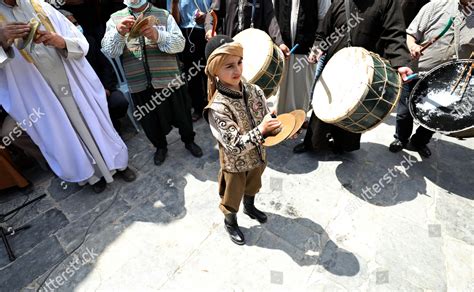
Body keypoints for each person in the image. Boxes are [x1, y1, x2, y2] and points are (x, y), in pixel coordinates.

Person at [0, 0, 136, 193]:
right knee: (63, 132)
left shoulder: (39, 5)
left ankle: (117, 163)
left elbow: (78, 39)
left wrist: (60, 41)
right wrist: (2, 40)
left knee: (92, 121)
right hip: (35, 91)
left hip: (70, 76)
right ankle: (91, 176)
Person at [293, 0, 413, 154]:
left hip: (364, 71)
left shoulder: (387, 2)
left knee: (353, 106)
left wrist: (401, 61)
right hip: (334, 65)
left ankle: (343, 145)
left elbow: (395, 33)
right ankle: (313, 143)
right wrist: (318, 47)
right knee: (325, 102)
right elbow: (324, 29)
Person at [102, 0, 203, 166]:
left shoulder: (163, 15)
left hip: (169, 81)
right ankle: (160, 147)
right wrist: (119, 33)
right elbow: (109, 51)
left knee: (183, 116)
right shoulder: (114, 20)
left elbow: (180, 44)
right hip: (139, 84)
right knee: (150, 123)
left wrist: (158, 35)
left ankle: (189, 141)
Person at [204, 35, 282, 245]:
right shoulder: (217, 108)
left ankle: (250, 206)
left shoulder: (254, 90)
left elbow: (265, 117)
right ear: (215, 71)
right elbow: (235, 146)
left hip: (258, 155)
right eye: (229, 66)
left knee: (254, 185)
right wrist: (262, 130)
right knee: (231, 196)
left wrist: (276, 124)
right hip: (235, 165)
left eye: (239, 62)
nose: (237, 70)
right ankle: (230, 222)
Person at [389, 0, 474, 158]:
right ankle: (400, 138)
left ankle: (419, 142)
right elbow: (410, 34)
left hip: (449, 82)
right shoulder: (436, 5)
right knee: (404, 111)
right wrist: (413, 46)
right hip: (417, 71)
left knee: (436, 116)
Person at [60, 9, 129, 133]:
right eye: (71, 25)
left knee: (119, 102)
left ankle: (114, 125)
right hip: (84, 96)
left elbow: (106, 67)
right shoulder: (61, 53)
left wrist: (106, 87)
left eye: (76, 23)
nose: (76, 27)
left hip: (104, 89)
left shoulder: (89, 42)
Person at [167, 0, 213, 122]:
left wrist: (207, 17)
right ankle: (198, 107)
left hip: (207, 31)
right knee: (192, 74)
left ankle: (214, 105)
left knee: (210, 70)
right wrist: (175, 4)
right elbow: (174, 22)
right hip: (187, 34)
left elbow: (215, 9)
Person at [272, 0, 318, 115]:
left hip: (306, 52)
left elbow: (324, 18)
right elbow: (271, 17)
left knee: (301, 92)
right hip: (282, 49)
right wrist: (278, 42)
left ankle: (298, 121)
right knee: (280, 92)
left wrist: (317, 46)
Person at [204, 0, 290, 55]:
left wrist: (279, 42)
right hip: (229, 46)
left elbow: (270, 18)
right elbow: (212, 12)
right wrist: (209, 29)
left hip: (252, 49)